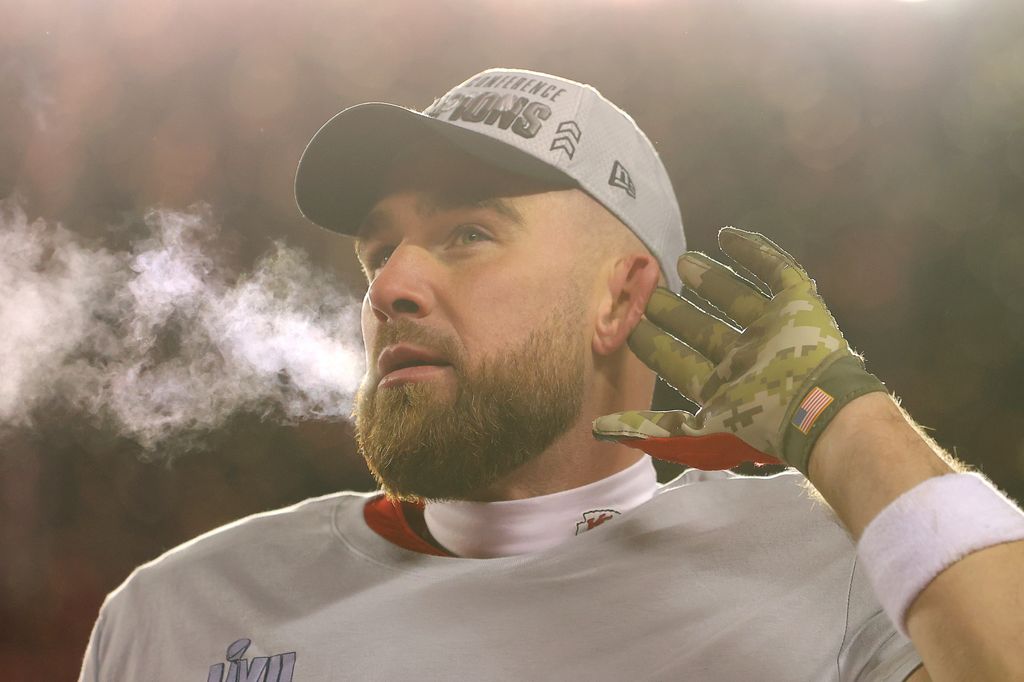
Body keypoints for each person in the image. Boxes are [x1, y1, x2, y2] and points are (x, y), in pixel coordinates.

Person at [79, 68, 1024, 681]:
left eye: (468, 234)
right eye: (378, 255)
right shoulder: (179, 616)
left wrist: (845, 422)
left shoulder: (830, 571)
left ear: (619, 300)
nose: (391, 286)